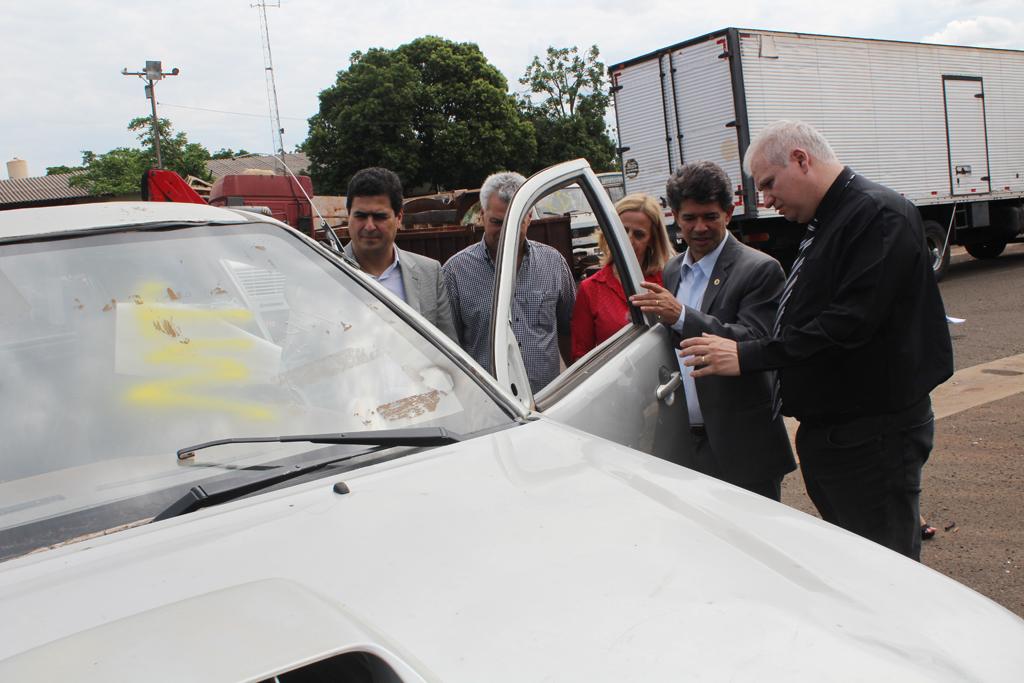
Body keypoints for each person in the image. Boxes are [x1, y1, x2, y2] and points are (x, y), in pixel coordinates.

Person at [680, 120, 954, 560]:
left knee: (883, 567)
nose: (767, 200)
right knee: (857, 563)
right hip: (842, 435)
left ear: (801, 160)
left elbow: (846, 324)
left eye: (769, 184)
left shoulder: (875, 215)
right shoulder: (833, 218)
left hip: (872, 435)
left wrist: (749, 354)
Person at [629, 161, 795, 500]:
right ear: (675, 216)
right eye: (689, 218)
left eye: (710, 217)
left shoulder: (760, 269)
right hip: (687, 441)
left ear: (729, 214)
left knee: (751, 531)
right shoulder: (674, 269)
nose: (700, 228)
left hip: (742, 446)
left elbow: (757, 342)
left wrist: (681, 316)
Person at [442, 171, 576, 393]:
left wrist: (571, 386)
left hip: (548, 400)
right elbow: (449, 348)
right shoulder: (456, 273)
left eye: (515, 222)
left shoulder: (553, 263)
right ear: (482, 215)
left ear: (529, 217)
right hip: (490, 404)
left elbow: (569, 329)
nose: (505, 232)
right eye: (497, 222)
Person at [343, 167, 457, 341]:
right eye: (361, 216)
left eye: (379, 217)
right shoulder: (324, 272)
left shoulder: (430, 273)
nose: (369, 226)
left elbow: (447, 347)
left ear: (399, 218)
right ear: (348, 216)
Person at [570, 193, 675, 361]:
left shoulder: (668, 280)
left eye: (639, 234)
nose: (628, 240)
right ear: (610, 232)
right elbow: (581, 356)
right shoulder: (590, 289)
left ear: (652, 240)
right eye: (623, 231)